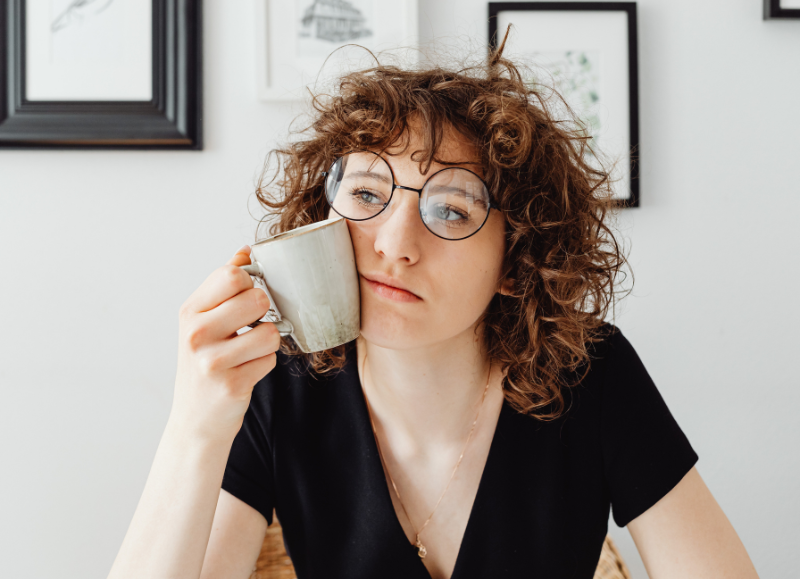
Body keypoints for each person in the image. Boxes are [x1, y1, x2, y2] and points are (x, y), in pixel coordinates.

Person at [106, 29, 760, 579]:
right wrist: (195, 428)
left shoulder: (589, 372)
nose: (394, 245)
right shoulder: (279, 383)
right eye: (366, 195)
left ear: (516, 261)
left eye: (451, 208)